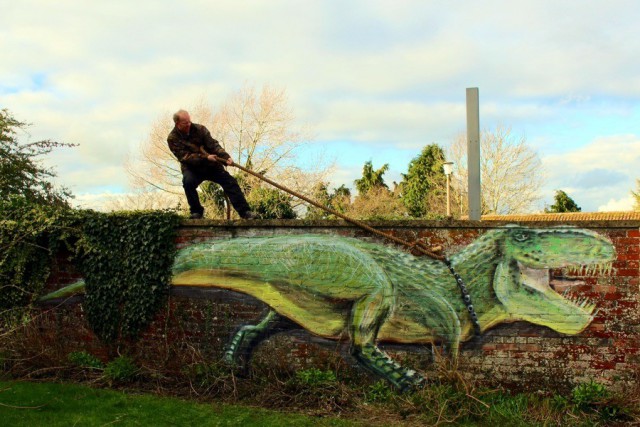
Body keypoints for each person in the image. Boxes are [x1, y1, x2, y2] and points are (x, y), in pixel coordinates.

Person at [167, 109, 257, 220]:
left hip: (211, 166)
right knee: (188, 182)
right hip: (192, 168)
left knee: (230, 181)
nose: (189, 125)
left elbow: (214, 145)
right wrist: (206, 157)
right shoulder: (172, 138)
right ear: (177, 124)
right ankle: (196, 212)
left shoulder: (200, 129)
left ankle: (245, 212)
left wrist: (225, 157)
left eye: (190, 121)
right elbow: (185, 157)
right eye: (185, 123)